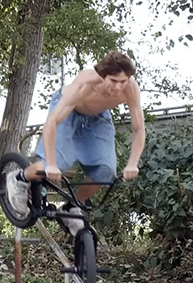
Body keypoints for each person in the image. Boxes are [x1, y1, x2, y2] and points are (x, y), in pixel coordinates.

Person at [17, 51, 145, 234]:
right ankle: (20, 179)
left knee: (106, 171)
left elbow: (139, 128)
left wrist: (132, 163)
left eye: (123, 81)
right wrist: (52, 164)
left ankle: (72, 207)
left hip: (98, 117)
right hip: (68, 110)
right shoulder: (85, 85)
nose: (118, 87)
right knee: (56, 163)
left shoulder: (130, 89)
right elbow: (52, 123)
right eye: (113, 81)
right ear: (102, 76)